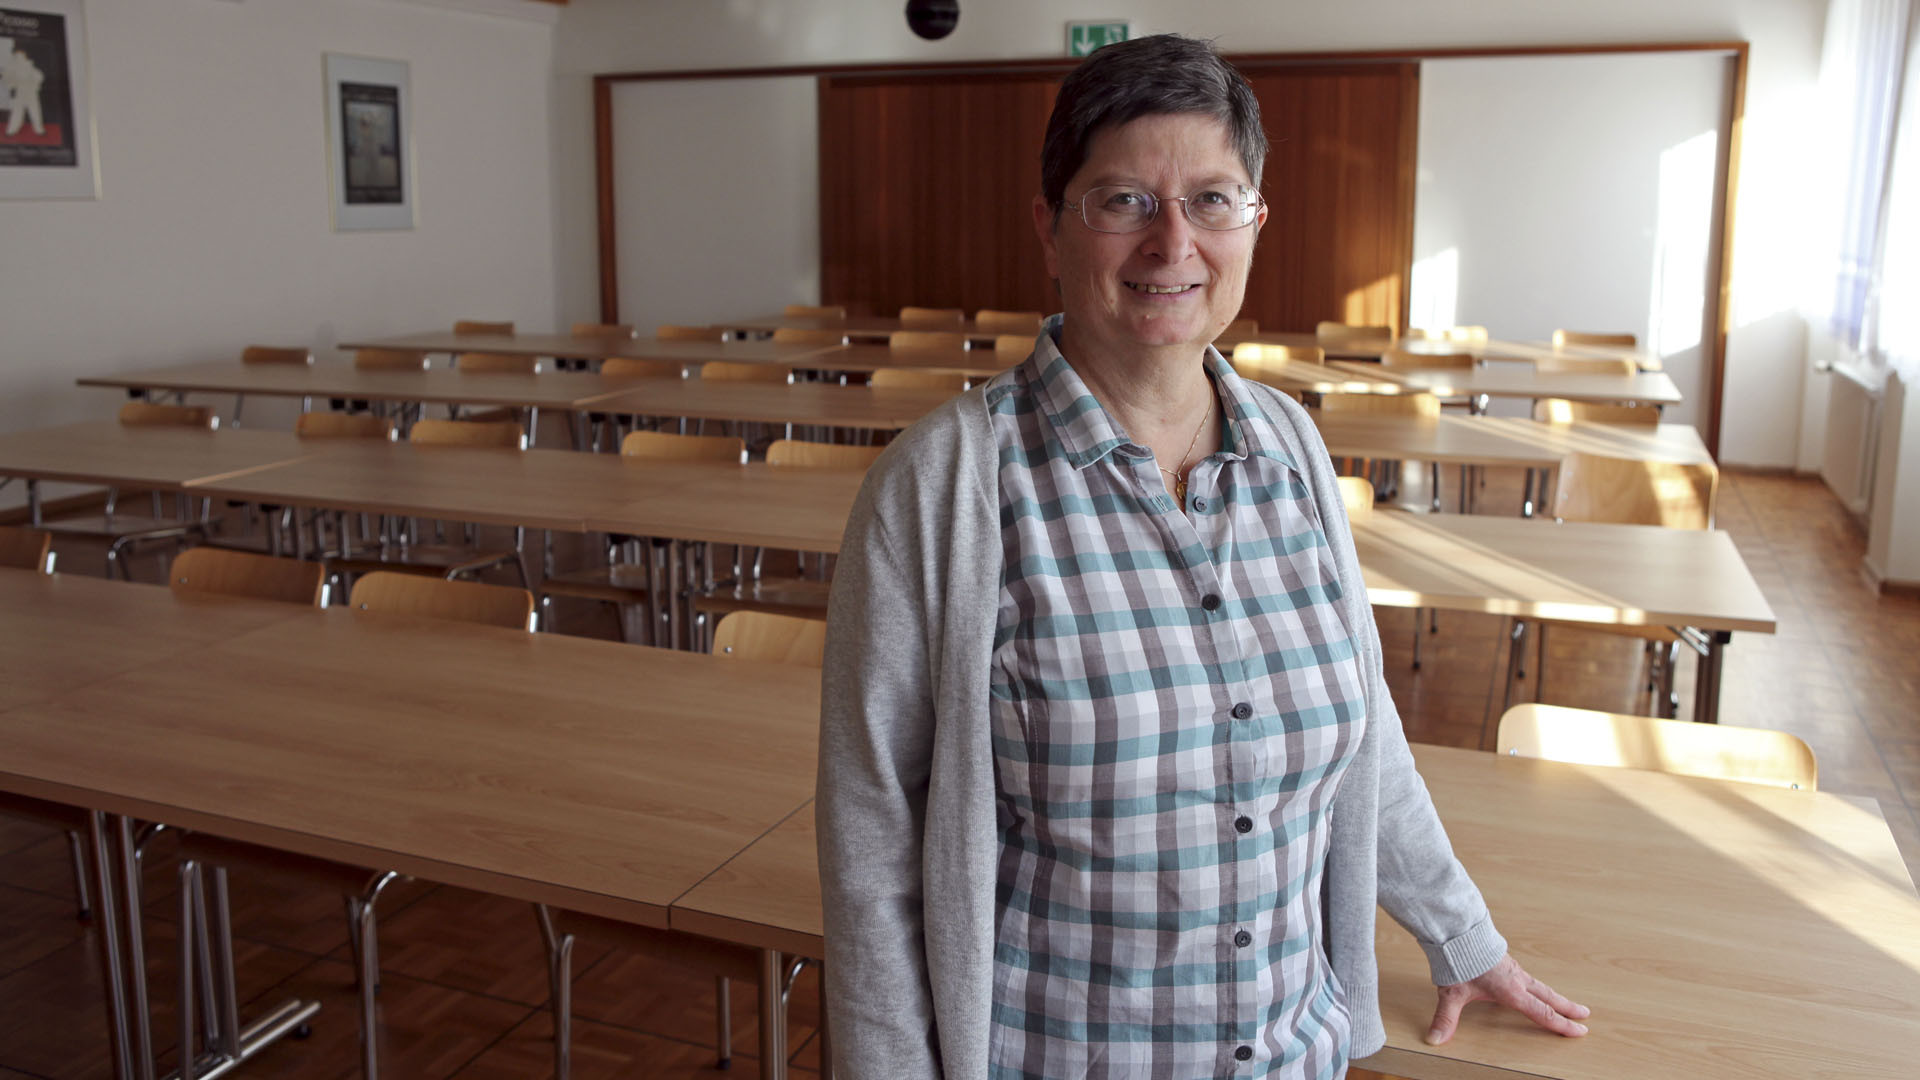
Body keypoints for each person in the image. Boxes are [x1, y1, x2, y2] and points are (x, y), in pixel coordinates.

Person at [817, 34, 1588, 1079]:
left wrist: (1462, 934)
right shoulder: (943, 487)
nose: (1172, 242)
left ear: (1255, 221)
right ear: (1051, 227)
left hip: (1293, 1055)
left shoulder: (1294, 449)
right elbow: (872, 852)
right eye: (1123, 200)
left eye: (1214, 200)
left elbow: (1362, 735)